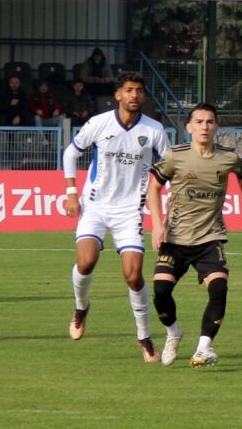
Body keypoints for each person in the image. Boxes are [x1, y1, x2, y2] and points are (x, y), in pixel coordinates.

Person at [62, 71, 170, 362]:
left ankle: (144, 336)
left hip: (130, 210)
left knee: (133, 277)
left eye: (139, 90)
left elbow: (170, 168)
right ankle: (81, 307)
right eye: (129, 90)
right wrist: (71, 193)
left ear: (143, 95)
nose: (134, 95)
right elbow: (71, 154)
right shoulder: (99, 123)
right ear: (118, 95)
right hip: (95, 205)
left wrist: (166, 207)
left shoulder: (154, 129)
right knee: (86, 262)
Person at [147, 103, 242, 368]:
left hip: (210, 236)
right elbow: (154, 188)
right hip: (175, 237)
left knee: (219, 287)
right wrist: (157, 224)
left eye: (210, 121)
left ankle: (203, 348)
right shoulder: (175, 156)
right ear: (188, 127)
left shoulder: (229, 157)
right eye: (198, 122)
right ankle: (173, 332)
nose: (204, 126)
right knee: (161, 291)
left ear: (216, 126)